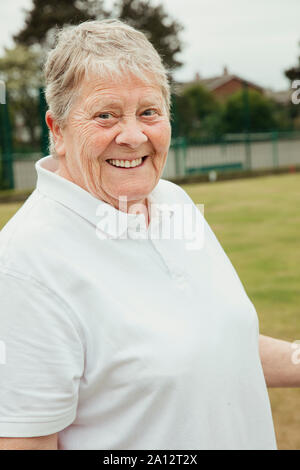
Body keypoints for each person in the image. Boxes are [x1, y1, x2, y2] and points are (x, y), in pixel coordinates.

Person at [0, 19, 298, 451]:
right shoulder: (23, 265)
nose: (134, 135)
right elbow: (25, 441)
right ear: (57, 130)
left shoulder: (173, 201)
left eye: (149, 112)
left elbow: (218, 343)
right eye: (106, 115)